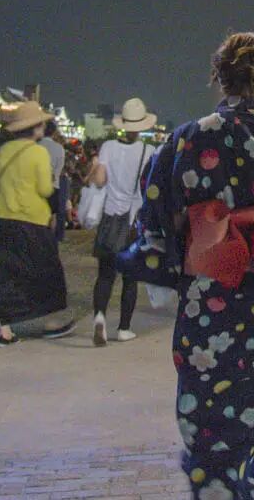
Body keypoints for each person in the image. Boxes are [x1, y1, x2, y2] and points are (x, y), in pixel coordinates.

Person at [121, 33, 254, 499]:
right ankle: (249, 488)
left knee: (206, 411)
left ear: (219, 79)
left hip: (208, 294)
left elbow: (153, 214)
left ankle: (212, 485)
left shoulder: (188, 137)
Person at [0, 101, 75, 345]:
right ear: (36, 128)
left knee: (5, 274)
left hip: (3, 221)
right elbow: (45, 188)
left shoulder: (4, 150)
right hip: (32, 222)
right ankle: (50, 323)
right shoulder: (39, 153)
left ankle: (5, 331)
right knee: (47, 271)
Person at [87, 96, 158, 347]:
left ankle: (99, 317)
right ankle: (124, 328)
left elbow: (99, 181)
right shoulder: (148, 152)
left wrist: (94, 166)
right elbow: (150, 189)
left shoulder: (107, 148)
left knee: (105, 275)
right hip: (132, 222)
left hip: (109, 218)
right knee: (130, 278)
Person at [41, 118, 69, 240]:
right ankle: (51, 238)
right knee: (52, 214)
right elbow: (59, 169)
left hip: (37, 185)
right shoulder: (59, 148)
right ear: (54, 132)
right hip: (54, 185)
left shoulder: (36, 145)